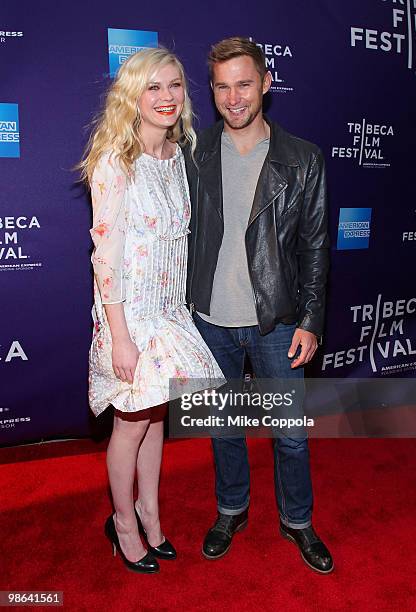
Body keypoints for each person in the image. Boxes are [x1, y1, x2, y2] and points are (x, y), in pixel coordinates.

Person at [183, 37, 333, 573]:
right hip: (209, 321)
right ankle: (232, 510)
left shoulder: (303, 158)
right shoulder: (193, 152)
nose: (234, 97)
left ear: (267, 82)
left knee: (289, 435)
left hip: (277, 320)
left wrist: (311, 321)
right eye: (222, 86)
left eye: (244, 83)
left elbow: (315, 246)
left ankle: (297, 520)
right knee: (223, 427)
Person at [80, 47, 223, 574]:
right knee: (129, 424)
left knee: (155, 419)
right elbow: (107, 257)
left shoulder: (177, 158)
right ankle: (121, 523)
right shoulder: (115, 161)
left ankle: (150, 513)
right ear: (131, 97)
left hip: (168, 310)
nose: (165, 98)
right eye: (152, 88)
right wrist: (119, 336)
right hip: (130, 316)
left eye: (175, 86)